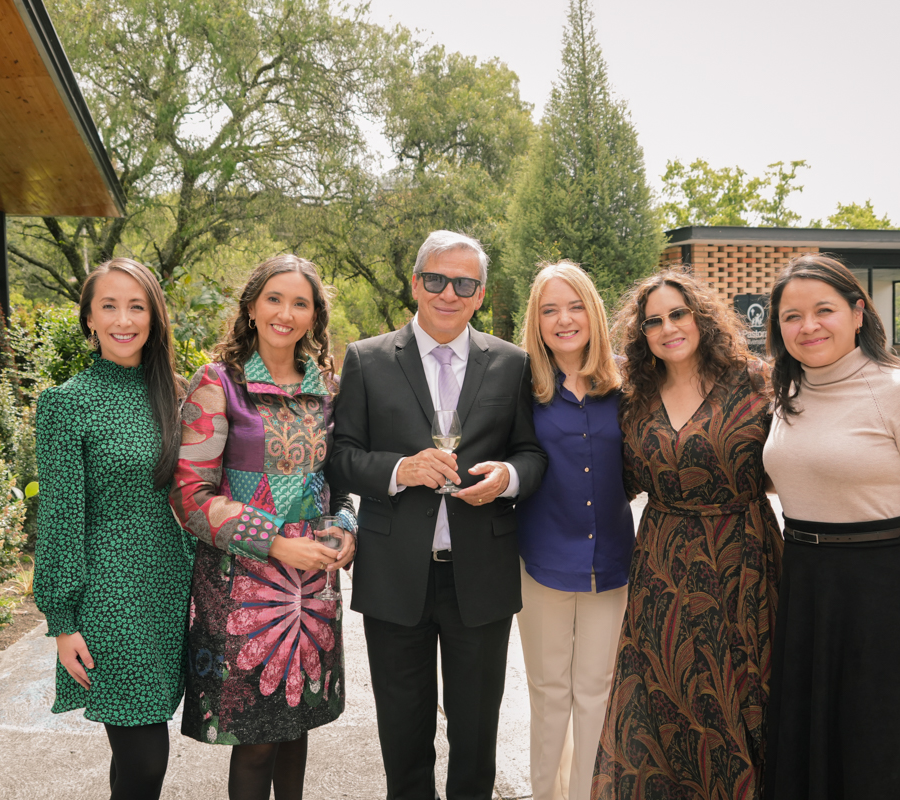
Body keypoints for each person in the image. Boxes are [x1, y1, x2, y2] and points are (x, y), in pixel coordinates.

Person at [327, 230, 547, 800]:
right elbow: (341, 457)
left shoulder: (512, 363)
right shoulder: (368, 359)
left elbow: (532, 453)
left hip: (482, 575)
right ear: (416, 283)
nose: (449, 293)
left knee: (476, 736)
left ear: (480, 295)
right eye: (436, 279)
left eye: (464, 284)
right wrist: (401, 469)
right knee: (403, 737)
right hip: (394, 573)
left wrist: (507, 478)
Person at [761, 254, 900, 799]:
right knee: (815, 746)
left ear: (858, 314)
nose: (808, 326)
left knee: (880, 747)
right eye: (791, 316)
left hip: (882, 592)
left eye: (824, 310)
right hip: (805, 586)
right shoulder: (787, 396)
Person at [169, 255, 358, 800]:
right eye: (274, 299)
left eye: (300, 303)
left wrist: (347, 525)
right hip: (242, 588)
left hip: (312, 588)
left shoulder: (328, 389)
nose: (285, 313)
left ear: (314, 316)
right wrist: (275, 541)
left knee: (297, 727)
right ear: (251, 307)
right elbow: (190, 494)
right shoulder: (218, 384)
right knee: (255, 741)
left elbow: (341, 480)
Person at [593, 269, 782, 800]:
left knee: (746, 692)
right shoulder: (633, 396)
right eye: (653, 321)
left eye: (678, 314)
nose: (668, 328)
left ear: (701, 316)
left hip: (744, 559)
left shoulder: (755, 381)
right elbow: (614, 476)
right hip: (663, 569)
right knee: (667, 700)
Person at [34, 257, 193, 800]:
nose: (123, 320)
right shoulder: (66, 404)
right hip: (110, 600)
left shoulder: (178, 394)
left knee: (131, 760)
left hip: (169, 594)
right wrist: (62, 621)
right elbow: (59, 518)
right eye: (109, 306)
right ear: (89, 318)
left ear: (154, 317)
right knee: (146, 763)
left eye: (136, 307)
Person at [515, 261, 634, 800]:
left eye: (575, 306)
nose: (564, 320)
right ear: (536, 322)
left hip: (611, 563)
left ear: (594, 313)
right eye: (550, 310)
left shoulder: (629, 385)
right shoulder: (518, 386)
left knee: (597, 694)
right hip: (540, 562)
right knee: (549, 693)